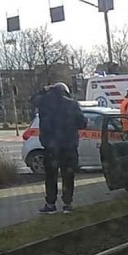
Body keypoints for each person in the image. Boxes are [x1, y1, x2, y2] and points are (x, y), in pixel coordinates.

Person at [33, 82, 87, 214]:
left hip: (51, 147)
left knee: (50, 176)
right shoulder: (72, 104)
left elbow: (32, 99)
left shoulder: (44, 103)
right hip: (68, 146)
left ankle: (50, 204)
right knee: (68, 176)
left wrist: (44, 89)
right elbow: (82, 123)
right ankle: (67, 204)